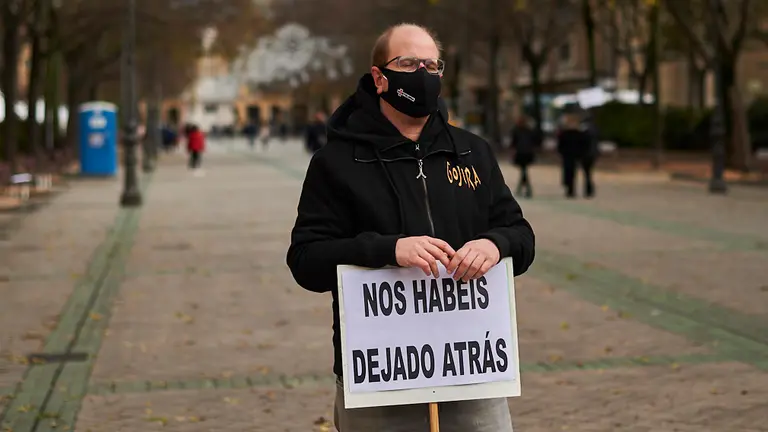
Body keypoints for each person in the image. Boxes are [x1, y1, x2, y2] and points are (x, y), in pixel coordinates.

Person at [286, 23, 535, 432]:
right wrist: (387, 250)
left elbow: (521, 235)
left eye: (432, 65)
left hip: (470, 371)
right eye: (408, 63)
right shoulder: (336, 162)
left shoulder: (472, 151)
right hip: (379, 375)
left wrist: (495, 244)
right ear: (380, 78)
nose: (422, 73)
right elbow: (306, 260)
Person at [556, 113, 593, 198]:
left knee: (571, 172)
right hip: (573, 154)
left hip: (571, 155)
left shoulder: (568, 134)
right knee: (573, 173)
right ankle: (575, 190)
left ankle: (572, 190)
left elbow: (560, 145)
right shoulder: (577, 134)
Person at [509, 115, 538, 198]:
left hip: (521, 152)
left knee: (523, 171)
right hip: (527, 152)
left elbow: (513, 143)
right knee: (524, 171)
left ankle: (524, 189)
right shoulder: (528, 131)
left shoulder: (516, 130)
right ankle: (526, 189)